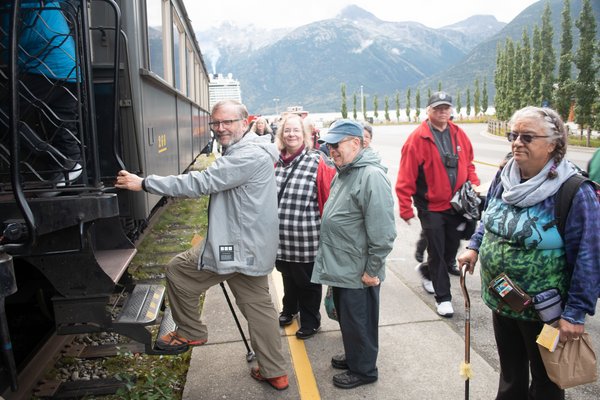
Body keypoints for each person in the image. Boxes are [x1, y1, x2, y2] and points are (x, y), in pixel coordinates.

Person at [115, 100, 289, 391]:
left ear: (244, 123)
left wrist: (144, 183)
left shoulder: (245, 155)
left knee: (178, 271)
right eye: (216, 123)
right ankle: (275, 372)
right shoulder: (253, 149)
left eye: (228, 122)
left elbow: (201, 182)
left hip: (235, 246)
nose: (220, 128)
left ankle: (191, 331)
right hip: (254, 245)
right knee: (259, 308)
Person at [457, 106, 600, 400]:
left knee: (547, 382)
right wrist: (474, 246)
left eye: (527, 136)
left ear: (553, 144)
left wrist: (575, 313)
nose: (517, 142)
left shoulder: (574, 190)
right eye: (514, 135)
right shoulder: (505, 176)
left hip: (545, 313)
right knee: (510, 374)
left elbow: (589, 256)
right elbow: (490, 219)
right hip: (502, 298)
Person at [312, 119, 396, 389]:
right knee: (349, 318)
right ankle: (355, 356)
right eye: (329, 145)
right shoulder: (345, 170)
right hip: (343, 265)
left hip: (359, 270)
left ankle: (364, 370)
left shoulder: (370, 176)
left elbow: (383, 232)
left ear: (356, 143)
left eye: (336, 144)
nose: (331, 150)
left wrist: (372, 270)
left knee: (360, 320)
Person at [395, 91, 480, 317]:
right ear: (428, 111)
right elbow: (405, 177)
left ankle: (426, 270)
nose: (442, 112)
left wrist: (474, 184)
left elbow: (469, 163)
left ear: (451, 110)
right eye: (437, 108)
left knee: (451, 247)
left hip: (457, 205)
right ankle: (443, 298)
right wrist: (405, 207)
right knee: (437, 249)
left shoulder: (459, 134)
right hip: (430, 207)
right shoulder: (417, 139)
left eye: (446, 108)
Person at [1, 1, 82, 184]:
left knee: (5, 115)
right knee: (62, 127)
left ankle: (60, 161)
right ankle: (69, 168)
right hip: (68, 67)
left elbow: (9, 39)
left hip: (46, 67)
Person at [274, 114, 336, 339]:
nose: (291, 134)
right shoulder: (275, 162)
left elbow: (328, 197)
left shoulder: (317, 161)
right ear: (281, 134)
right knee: (287, 276)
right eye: (287, 130)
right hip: (280, 239)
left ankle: (311, 321)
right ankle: (290, 309)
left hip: (307, 238)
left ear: (305, 135)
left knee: (307, 282)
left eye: (296, 131)